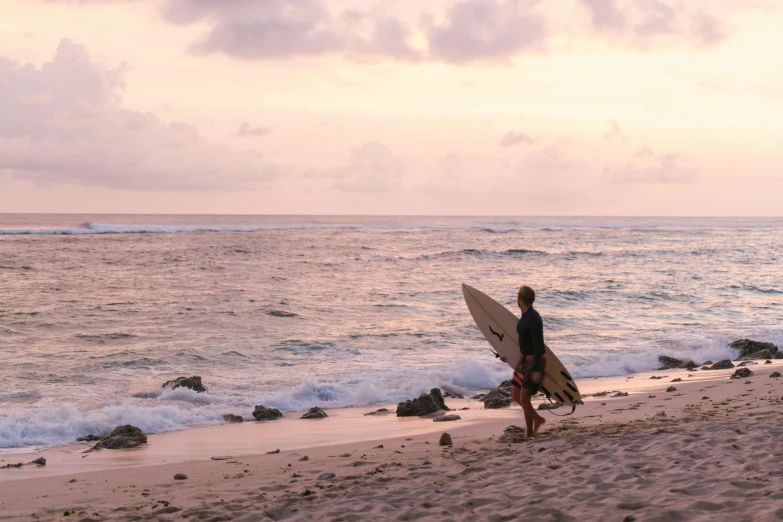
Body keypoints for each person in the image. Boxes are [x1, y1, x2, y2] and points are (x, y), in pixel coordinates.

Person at [500, 285, 547, 438]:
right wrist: (508, 355)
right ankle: (537, 418)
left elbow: (539, 346)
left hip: (534, 361)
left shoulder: (533, 319)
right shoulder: (524, 317)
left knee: (524, 398)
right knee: (515, 394)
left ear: (519, 299)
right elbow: (522, 342)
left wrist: (536, 371)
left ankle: (530, 433)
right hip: (524, 359)